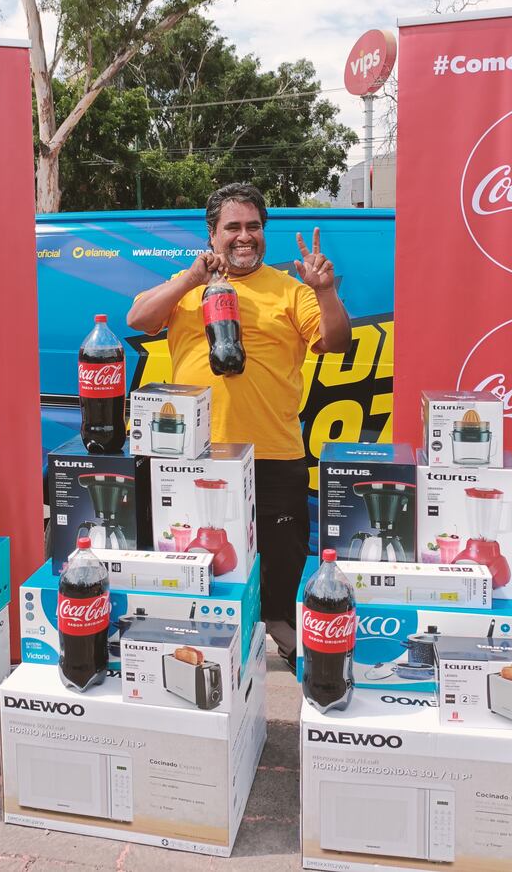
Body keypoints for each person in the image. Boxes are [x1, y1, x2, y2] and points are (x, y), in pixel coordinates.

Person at [127, 183, 351, 670]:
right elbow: (139, 318)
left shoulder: (291, 290)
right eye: (233, 227)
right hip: (192, 457)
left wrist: (326, 291)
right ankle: (201, 649)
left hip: (273, 452)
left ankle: (282, 633)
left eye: (253, 226)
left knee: (282, 564)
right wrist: (189, 280)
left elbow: (335, 341)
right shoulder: (187, 286)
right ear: (212, 234)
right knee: (193, 557)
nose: (244, 237)